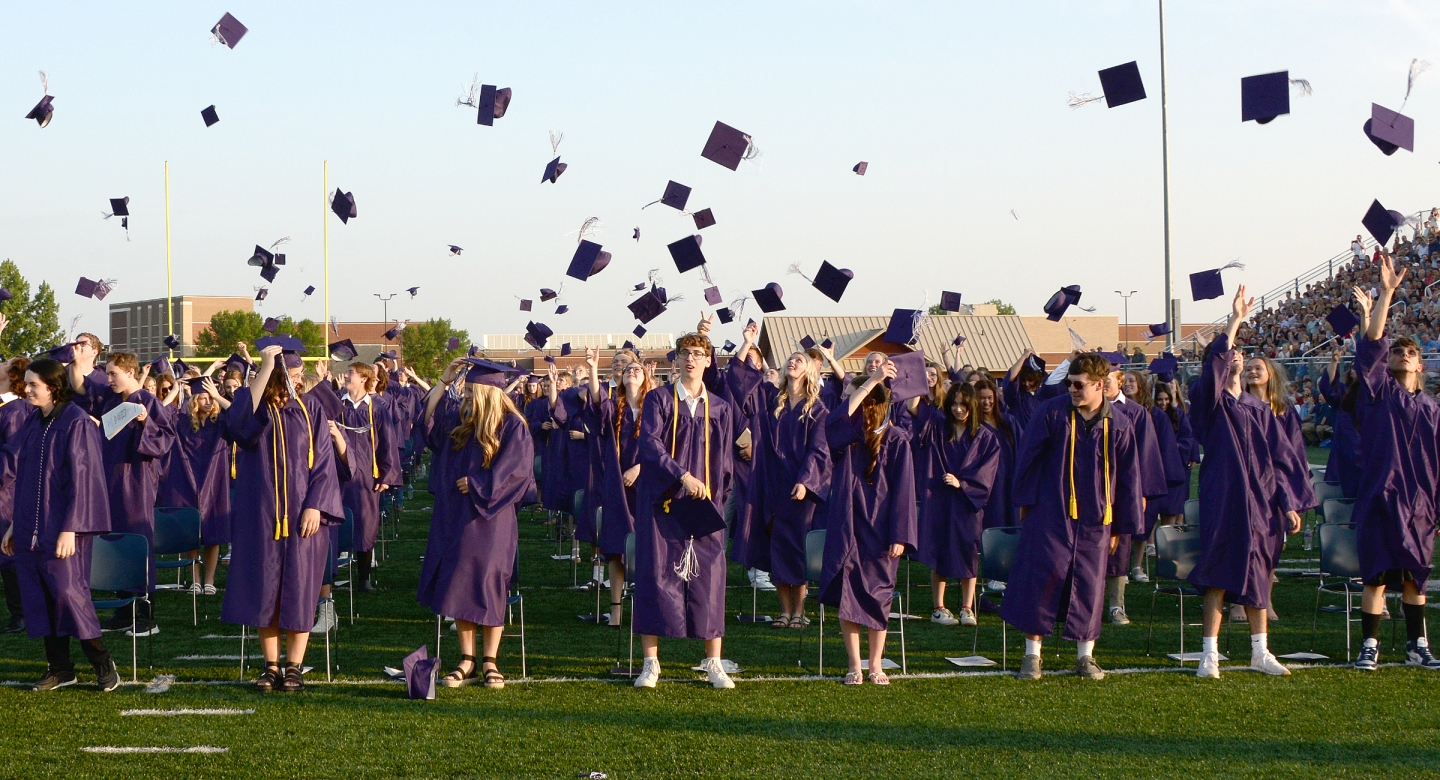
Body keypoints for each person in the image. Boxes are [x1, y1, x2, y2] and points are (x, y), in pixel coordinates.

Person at [1189, 286, 1308, 678]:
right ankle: (1210, 654)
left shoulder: (1259, 410)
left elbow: (1280, 459)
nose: (1237, 356)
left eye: (1242, 353)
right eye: (1231, 355)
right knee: (1218, 574)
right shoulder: (1212, 403)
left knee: (1257, 572)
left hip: (1260, 502)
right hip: (1224, 499)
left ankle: (1261, 652)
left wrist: (1288, 501)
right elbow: (1214, 366)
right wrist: (1235, 319)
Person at [1002, 353, 1143, 681]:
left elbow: (1128, 478)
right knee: (1042, 578)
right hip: (1052, 513)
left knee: (1090, 584)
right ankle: (1032, 656)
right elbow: (1028, 458)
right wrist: (1026, 503)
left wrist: (1121, 526)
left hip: (1097, 518)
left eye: (1079, 385)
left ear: (1099, 385)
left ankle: (1085, 656)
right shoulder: (1051, 412)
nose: (1073, 390)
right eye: (1069, 384)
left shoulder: (1119, 423)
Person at [221, 339, 345, 692]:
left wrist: (315, 505)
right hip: (260, 515)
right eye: (290, 374)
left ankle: (295, 666)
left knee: (301, 588)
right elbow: (238, 426)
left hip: (303, 516)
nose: (298, 379)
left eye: (299, 373)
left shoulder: (311, 410)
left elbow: (323, 462)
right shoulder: (256, 406)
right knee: (265, 589)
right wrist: (262, 368)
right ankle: (271, 665)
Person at [632, 330, 741, 689]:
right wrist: (682, 477)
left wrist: (716, 500)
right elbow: (649, 445)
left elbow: (726, 461)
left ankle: (713, 661)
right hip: (662, 504)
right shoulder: (658, 400)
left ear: (709, 361)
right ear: (675, 360)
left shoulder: (721, 408)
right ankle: (651, 663)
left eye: (698, 353)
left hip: (703, 507)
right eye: (684, 353)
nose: (691, 359)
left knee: (710, 580)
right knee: (654, 576)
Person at [0, 357, 118, 691]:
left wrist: (72, 528)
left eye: (34, 384)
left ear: (52, 387)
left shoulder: (75, 421)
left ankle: (102, 662)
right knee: (40, 598)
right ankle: (60, 668)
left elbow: (85, 479)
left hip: (63, 527)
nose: (27, 390)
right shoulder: (33, 421)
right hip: (30, 527)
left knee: (69, 595)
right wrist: (13, 525)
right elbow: (24, 478)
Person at [419, 358, 535, 689]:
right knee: (459, 582)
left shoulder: (513, 426)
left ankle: (490, 662)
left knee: (489, 584)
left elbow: (518, 472)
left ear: (487, 391)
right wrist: (445, 379)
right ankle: (467, 660)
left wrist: (480, 483)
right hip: (458, 517)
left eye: (471, 390)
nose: (465, 395)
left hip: (492, 521)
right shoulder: (461, 421)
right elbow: (427, 421)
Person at [1349, 257, 1440, 671]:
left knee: (1414, 576)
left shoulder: (1432, 408)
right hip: (1380, 497)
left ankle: (1416, 643)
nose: (1404, 354)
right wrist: (1386, 294)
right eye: (1398, 351)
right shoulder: (1377, 394)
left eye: (1412, 352)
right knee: (1376, 574)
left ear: (1421, 365)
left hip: (1420, 501)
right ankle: (1370, 643)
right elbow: (1371, 346)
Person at [820, 363, 916, 685]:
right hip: (849, 522)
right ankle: (854, 665)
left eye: (857, 397)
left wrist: (901, 534)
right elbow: (835, 421)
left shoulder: (897, 439)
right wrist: (870, 380)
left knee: (879, 594)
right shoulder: (847, 437)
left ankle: (875, 664)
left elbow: (904, 491)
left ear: (871, 404)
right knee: (849, 592)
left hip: (883, 528)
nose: (848, 402)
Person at [74, 351, 177, 638]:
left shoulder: (148, 402)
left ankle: (145, 613)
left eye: (113, 374)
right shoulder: (112, 400)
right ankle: (123, 611)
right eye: (107, 374)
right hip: (110, 481)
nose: (109, 379)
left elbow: (165, 440)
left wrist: (146, 423)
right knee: (117, 540)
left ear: (130, 373)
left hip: (136, 481)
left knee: (138, 541)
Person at [741, 349, 830, 630]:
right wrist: (747, 344)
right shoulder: (773, 402)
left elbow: (819, 450)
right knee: (777, 546)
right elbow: (745, 385)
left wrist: (805, 481)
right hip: (773, 484)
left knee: (797, 548)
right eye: (789, 359)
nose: (792, 362)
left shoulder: (817, 409)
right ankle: (784, 610)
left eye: (799, 360)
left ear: (808, 371)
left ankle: (800, 610)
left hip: (801, 488)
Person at [1241, 355, 1318, 621]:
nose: (1252, 372)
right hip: (1243, 481)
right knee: (1242, 543)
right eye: (1248, 368)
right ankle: (1238, 603)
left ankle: (1265, 600)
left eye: (1258, 368)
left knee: (1270, 547)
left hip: (1273, 485)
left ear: (1270, 373)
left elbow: (1293, 453)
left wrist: (1291, 497)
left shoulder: (1282, 410)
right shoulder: (1237, 404)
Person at [916, 382, 1000, 627]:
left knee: (968, 554)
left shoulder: (985, 437)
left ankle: (966, 608)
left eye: (963, 404)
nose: (958, 409)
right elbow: (918, 426)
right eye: (953, 404)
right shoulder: (939, 430)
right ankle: (938, 608)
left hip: (967, 505)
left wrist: (962, 484)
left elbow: (988, 474)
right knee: (940, 552)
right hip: (941, 501)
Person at [583, 348, 650, 626]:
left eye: (637, 369)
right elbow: (597, 401)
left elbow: (667, 447)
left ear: (646, 378)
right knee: (615, 548)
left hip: (647, 487)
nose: (631, 372)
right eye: (627, 370)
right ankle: (616, 610)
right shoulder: (615, 407)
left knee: (648, 547)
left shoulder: (656, 408)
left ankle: (648, 607)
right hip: (618, 487)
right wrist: (593, 370)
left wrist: (639, 468)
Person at [333, 362, 400, 593]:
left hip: (366, 476)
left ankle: (364, 579)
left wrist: (387, 474)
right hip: (337, 474)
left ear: (363, 379)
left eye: (351, 373)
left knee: (365, 524)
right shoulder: (335, 404)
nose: (346, 376)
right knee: (334, 522)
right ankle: (329, 578)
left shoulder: (377, 408)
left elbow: (388, 443)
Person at [172, 377, 233, 596]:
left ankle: (209, 580)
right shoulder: (183, 422)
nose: (207, 401)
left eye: (210, 397)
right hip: (188, 481)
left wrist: (218, 396)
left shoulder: (223, 421)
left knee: (213, 532)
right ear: (195, 399)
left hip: (215, 481)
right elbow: (160, 416)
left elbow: (241, 415)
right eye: (203, 397)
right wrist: (177, 389)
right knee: (193, 533)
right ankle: (195, 580)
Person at [0, 347, 32, 634]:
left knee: (6, 553)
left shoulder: (15, 411)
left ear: (13, 376)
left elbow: (13, 458)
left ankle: (20, 614)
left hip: (5, 494)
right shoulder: (6, 407)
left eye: (7, 363)